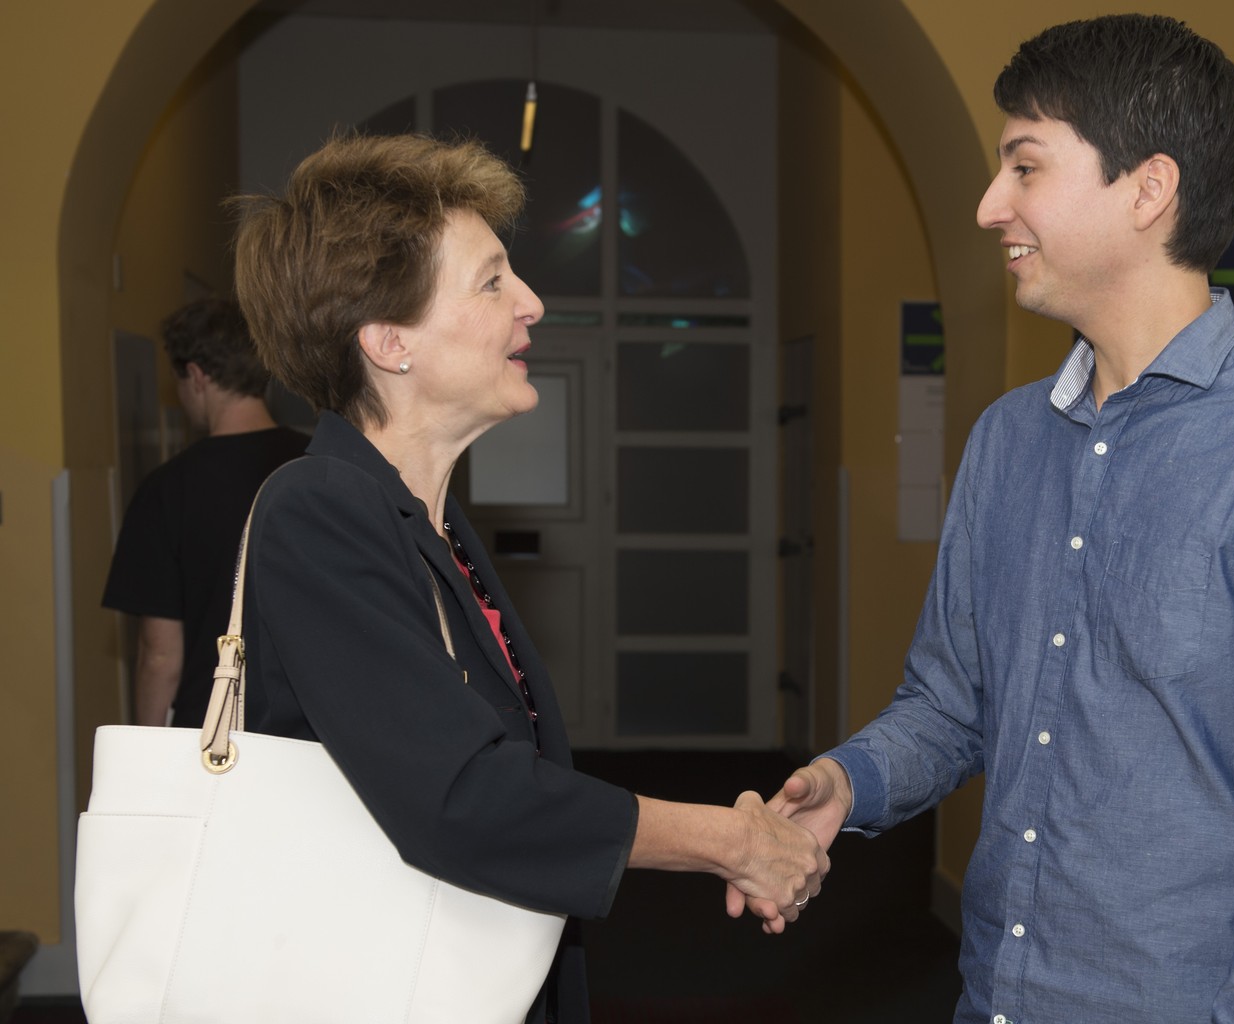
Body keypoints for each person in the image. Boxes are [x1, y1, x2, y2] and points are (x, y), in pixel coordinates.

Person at [737, 14, 1234, 1022]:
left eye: (1025, 166)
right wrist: (849, 780)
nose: (988, 203)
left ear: (1148, 188)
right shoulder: (1009, 439)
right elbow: (950, 702)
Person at [229, 133, 827, 1023]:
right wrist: (731, 840)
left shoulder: (430, 522)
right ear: (391, 341)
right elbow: (465, 796)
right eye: (492, 281)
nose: (534, 304)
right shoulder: (318, 510)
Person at [102, 297, 310, 727]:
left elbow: (160, 655)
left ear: (196, 376)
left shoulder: (166, 490)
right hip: (311, 735)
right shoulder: (318, 469)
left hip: (211, 737)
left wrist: (150, 755)